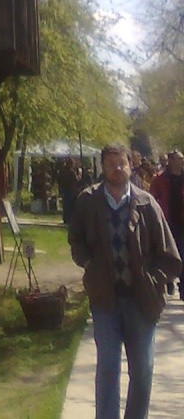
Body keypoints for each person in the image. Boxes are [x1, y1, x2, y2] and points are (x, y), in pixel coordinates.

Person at [68, 142, 181, 419]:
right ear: (103, 168)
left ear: (131, 165)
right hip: (106, 300)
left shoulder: (146, 203)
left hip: (140, 301)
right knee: (107, 367)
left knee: (142, 370)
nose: (117, 169)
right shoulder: (88, 200)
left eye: (122, 163)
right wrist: (89, 264)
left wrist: (154, 280)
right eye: (111, 164)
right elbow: (76, 240)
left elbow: (168, 253)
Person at [150, 149, 184, 298]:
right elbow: (151, 199)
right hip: (167, 222)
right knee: (170, 254)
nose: (181, 161)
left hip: (182, 221)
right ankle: (169, 280)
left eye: (182, 159)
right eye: (179, 159)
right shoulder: (160, 179)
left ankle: (182, 287)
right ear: (170, 161)